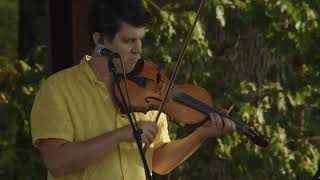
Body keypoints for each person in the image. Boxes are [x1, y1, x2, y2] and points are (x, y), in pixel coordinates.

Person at [30, 0, 236, 179]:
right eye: (129, 41)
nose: (138, 50)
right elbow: (58, 163)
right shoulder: (58, 89)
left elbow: (159, 162)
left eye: (140, 40)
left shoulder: (149, 90)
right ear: (99, 40)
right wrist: (120, 135)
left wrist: (200, 134)